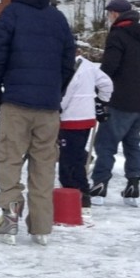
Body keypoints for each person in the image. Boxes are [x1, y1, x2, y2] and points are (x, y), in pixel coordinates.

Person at [0, 0, 75, 246]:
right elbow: (68, 61)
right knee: (44, 166)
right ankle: (41, 228)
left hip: (16, 103)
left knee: (9, 159)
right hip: (48, 108)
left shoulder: (11, 14)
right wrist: (55, 91)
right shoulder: (58, 18)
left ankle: (10, 218)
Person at [89, 0, 140, 207]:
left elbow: (110, 67)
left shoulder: (117, 35)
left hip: (120, 100)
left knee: (106, 144)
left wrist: (98, 88)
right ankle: (133, 186)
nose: (109, 17)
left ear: (116, 15)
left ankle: (99, 185)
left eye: (110, 13)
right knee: (132, 143)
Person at [58, 54, 113, 207]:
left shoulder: (69, 66)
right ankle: (76, 191)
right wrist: (101, 102)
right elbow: (107, 83)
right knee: (72, 154)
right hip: (87, 118)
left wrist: (56, 111)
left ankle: (80, 194)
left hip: (71, 119)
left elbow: (65, 95)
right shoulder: (88, 64)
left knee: (69, 160)